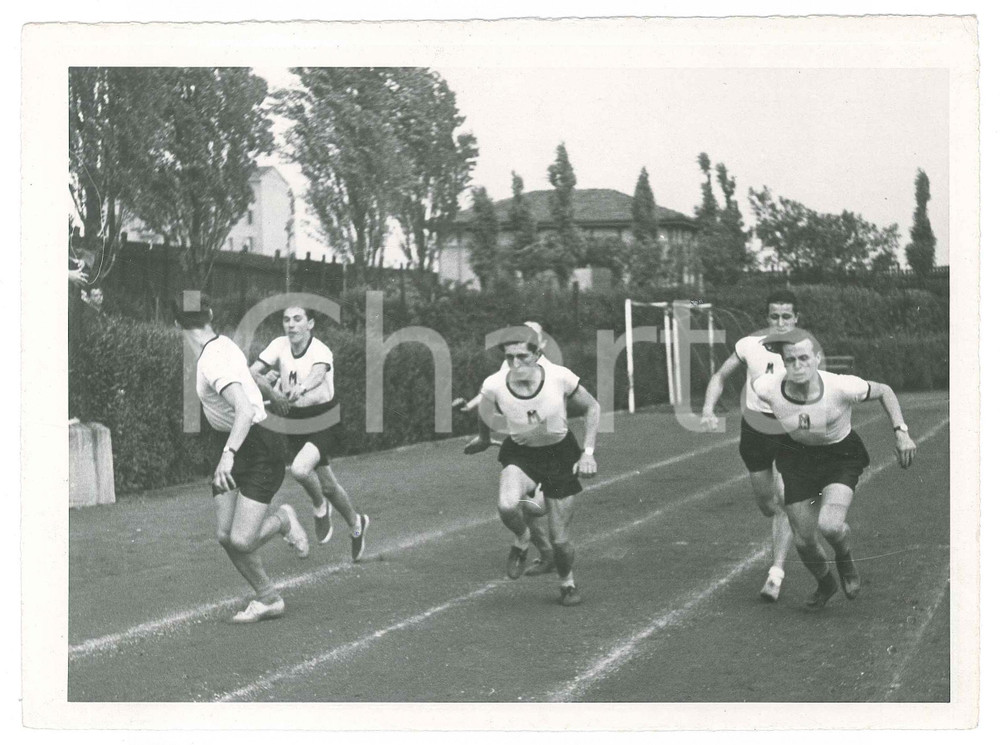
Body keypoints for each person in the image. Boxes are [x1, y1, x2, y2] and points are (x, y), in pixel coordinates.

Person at [750, 328, 917, 609]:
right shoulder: (765, 388)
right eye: (790, 360)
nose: (798, 366)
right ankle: (826, 583)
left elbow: (884, 391)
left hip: (840, 456)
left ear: (817, 359)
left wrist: (901, 431)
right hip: (799, 460)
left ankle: (845, 557)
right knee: (803, 541)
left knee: (830, 525)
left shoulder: (841, 386)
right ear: (783, 361)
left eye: (804, 358)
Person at [174, 292, 310, 624]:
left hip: (256, 447)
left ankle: (284, 521)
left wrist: (227, 456)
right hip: (230, 441)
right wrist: (271, 391)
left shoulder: (211, 360)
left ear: (176, 324)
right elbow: (249, 379)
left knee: (241, 539)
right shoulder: (221, 345)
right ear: (208, 315)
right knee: (226, 536)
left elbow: (245, 410)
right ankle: (268, 599)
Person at [464, 324, 601, 607]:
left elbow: (592, 407)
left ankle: (567, 582)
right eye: (510, 357)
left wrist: (587, 453)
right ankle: (523, 539)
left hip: (560, 456)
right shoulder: (495, 384)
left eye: (522, 357)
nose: (516, 364)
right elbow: (484, 411)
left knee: (560, 540)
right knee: (506, 505)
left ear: (537, 353)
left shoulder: (559, 377)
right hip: (521, 454)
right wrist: (484, 438)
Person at [250, 306, 370, 562]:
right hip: (296, 421)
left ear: (310, 323)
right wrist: (269, 387)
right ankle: (356, 522)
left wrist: (301, 388)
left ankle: (319, 508)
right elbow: (252, 372)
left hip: (325, 418)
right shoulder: (279, 345)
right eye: (286, 320)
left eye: (297, 319)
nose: (291, 325)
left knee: (301, 469)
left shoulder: (320, 350)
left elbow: (317, 374)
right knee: (327, 484)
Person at [700, 290, 799, 601]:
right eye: (775, 316)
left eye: (787, 316)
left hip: (788, 428)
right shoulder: (748, 345)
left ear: (796, 319)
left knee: (784, 499)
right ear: (766, 318)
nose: (781, 322)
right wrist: (707, 409)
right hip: (755, 428)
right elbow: (719, 376)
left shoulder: (805, 351)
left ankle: (776, 573)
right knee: (767, 505)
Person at [453, 322, 555, 577]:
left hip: (550, 451)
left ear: (540, 344)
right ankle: (543, 552)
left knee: (532, 508)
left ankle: (557, 563)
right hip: (520, 451)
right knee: (513, 505)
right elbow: (491, 392)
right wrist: (476, 418)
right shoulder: (512, 363)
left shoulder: (553, 374)